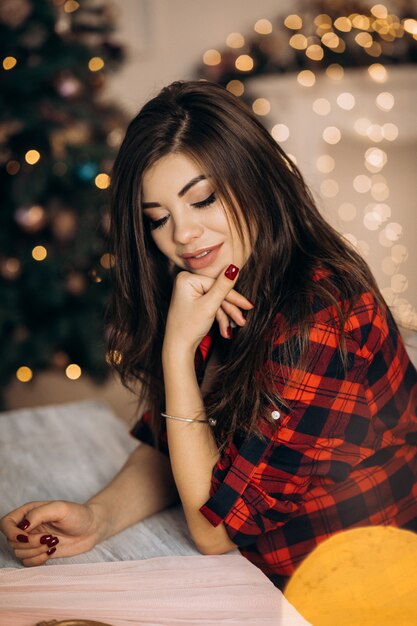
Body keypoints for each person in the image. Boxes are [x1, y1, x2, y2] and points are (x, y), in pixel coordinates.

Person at [1, 80, 417, 590]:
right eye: (158, 219)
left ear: (256, 181)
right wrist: (98, 518)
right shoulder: (214, 288)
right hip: (260, 583)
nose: (182, 236)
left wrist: (177, 352)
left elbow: (215, 528)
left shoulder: (323, 317)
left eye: (203, 200)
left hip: (361, 593)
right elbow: (169, 443)